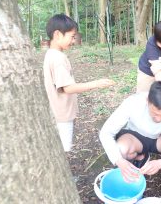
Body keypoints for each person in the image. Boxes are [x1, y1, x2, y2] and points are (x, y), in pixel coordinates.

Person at [99, 81, 161, 204]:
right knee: (121, 150)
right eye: (155, 113)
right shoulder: (133, 102)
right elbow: (106, 132)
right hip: (135, 137)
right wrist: (118, 160)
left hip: (160, 140)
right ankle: (142, 156)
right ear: (147, 101)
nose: (159, 119)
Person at [43, 14, 115, 152]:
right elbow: (67, 88)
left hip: (56, 110)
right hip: (62, 114)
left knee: (59, 146)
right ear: (57, 34)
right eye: (72, 36)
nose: (73, 40)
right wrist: (96, 83)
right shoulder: (58, 58)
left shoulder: (50, 54)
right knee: (64, 149)